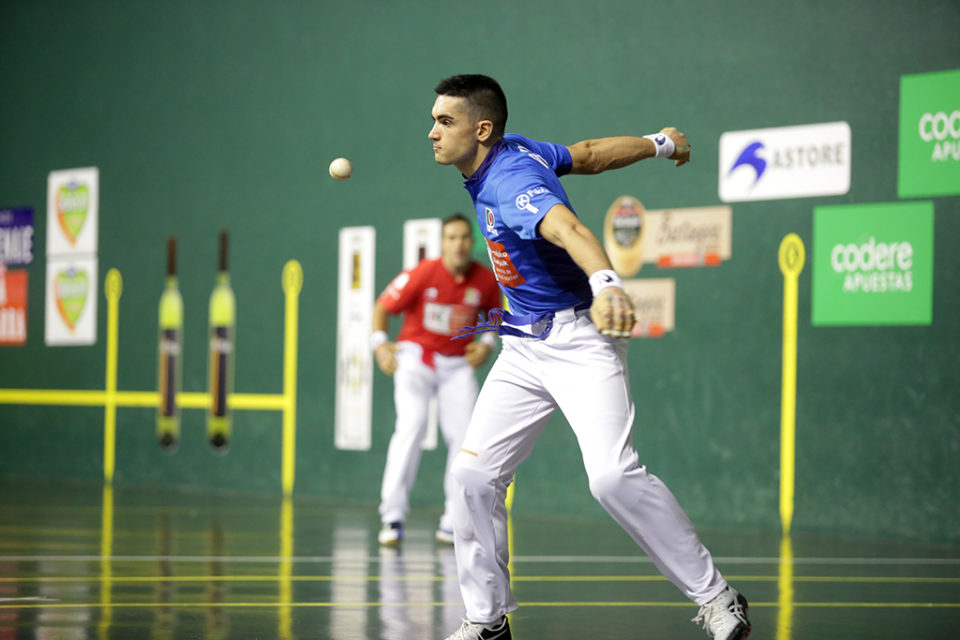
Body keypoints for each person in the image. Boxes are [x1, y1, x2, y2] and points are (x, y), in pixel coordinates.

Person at [428, 75, 752, 640]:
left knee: (610, 477)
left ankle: (717, 596)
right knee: (473, 474)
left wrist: (606, 283)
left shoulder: (509, 180)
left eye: (444, 122)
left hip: (581, 341)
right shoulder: (517, 148)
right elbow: (590, 155)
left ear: (481, 130)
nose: (431, 132)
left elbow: (568, 227)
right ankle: (486, 622)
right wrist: (660, 143)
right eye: (434, 119)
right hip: (523, 347)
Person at [371, 213, 501, 547]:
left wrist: (486, 344)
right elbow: (382, 306)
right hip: (416, 359)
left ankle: (453, 521)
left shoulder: (485, 281)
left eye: (464, 238)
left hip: (457, 367)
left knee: (464, 440)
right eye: (451, 238)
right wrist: (380, 344)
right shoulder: (423, 273)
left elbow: (495, 317)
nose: (458, 244)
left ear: (472, 243)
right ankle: (393, 515)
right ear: (442, 243)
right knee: (412, 425)